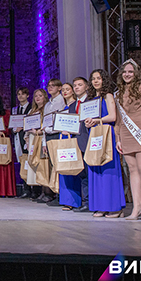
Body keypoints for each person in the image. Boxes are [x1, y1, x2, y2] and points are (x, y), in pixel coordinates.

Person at [115, 59, 141, 221]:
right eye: (125, 72)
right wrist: (118, 138)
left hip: (140, 132)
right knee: (132, 169)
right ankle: (137, 205)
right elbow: (119, 119)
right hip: (125, 134)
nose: (127, 74)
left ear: (136, 73)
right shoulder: (119, 92)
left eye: (130, 72)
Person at [85, 69, 126, 218]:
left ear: (104, 80)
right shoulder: (91, 99)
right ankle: (101, 206)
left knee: (108, 170)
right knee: (95, 169)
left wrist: (97, 120)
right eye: (93, 78)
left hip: (107, 133)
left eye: (99, 78)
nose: (96, 81)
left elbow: (113, 116)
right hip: (95, 133)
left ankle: (115, 207)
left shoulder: (108, 95)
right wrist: (88, 122)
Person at [59, 77, 90, 212]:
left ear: (86, 87)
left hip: (88, 141)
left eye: (79, 85)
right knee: (81, 174)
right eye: (75, 85)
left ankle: (90, 202)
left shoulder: (90, 102)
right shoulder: (72, 106)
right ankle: (85, 201)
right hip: (76, 143)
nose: (77, 87)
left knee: (89, 174)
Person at [43, 78, 66, 206]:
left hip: (57, 134)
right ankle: (56, 194)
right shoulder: (48, 104)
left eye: (53, 85)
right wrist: (43, 142)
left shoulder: (62, 101)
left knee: (60, 165)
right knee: (53, 166)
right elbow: (45, 123)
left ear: (59, 88)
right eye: (49, 85)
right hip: (48, 135)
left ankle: (62, 195)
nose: (50, 87)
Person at [24, 89, 49, 201]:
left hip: (40, 138)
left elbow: (47, 125)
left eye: (40, 96)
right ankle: (37, 190)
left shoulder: (46, 109)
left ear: (44, 97)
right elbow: (26, 126)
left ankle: (45, 191)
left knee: (41, 164)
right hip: (32, 139)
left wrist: (38, 132)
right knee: (33, 163)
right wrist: (26, 138)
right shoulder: (32, 110)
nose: (38, 98)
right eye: (36, 96)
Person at [12, 88, 37, 199]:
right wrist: (14, 129)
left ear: (27, 95)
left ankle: (35, 190)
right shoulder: (15, 110)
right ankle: (26, 189)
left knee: (31, 163)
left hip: (28, 138)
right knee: (23, 163)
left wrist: (23, 127)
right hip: (18, 139)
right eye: (18, 94)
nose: (20, 96)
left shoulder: (32, 108)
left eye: (23, 94)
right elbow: (12, 124)